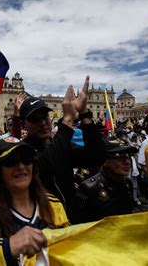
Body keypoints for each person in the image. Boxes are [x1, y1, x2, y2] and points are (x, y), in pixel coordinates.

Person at [10, 77, 106, 222]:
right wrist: (67, 119)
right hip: (44, 223)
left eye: (45, 117)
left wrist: (85, 114)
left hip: (71, 218)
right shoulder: (22, 152)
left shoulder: (59, 145)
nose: (43, 123)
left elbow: (96, 156)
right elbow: (48, 162)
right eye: (35, 119)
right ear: (24, 125)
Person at [76, 140, 138, 222]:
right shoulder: (89, 188)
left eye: (128, 156)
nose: (127, 162)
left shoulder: (127, 182)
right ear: (105, 161)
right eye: (119, 156)